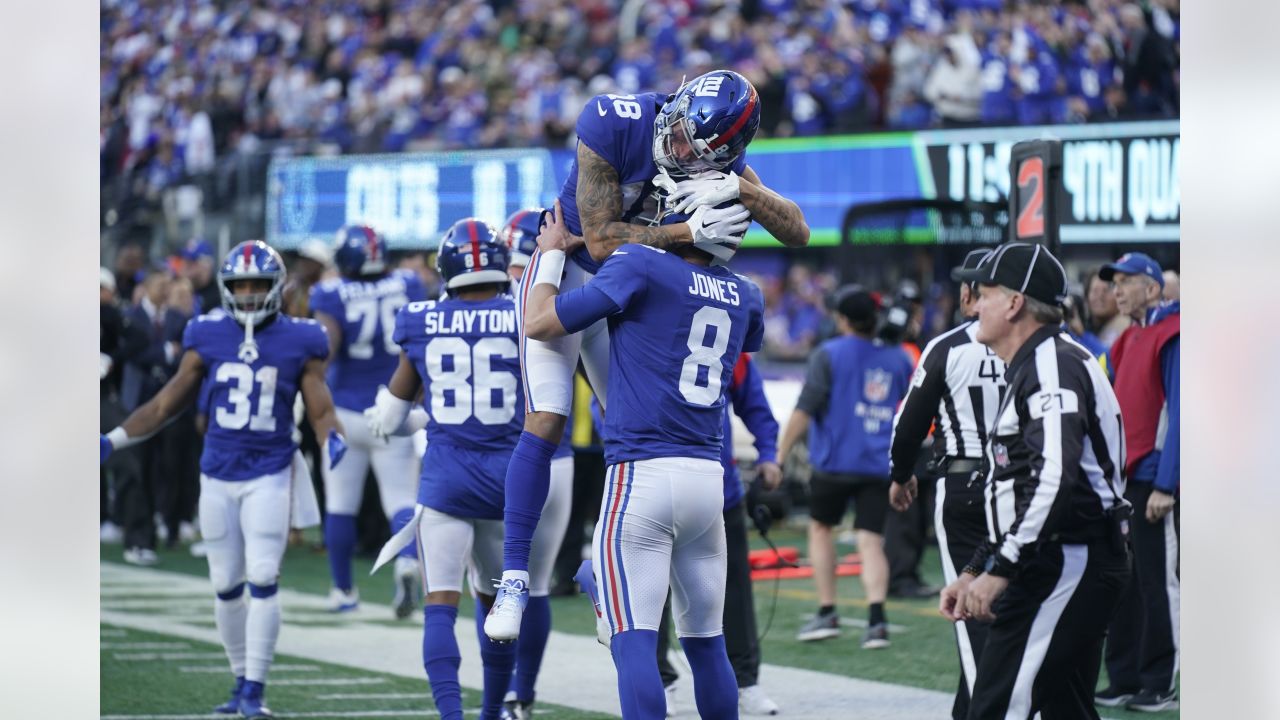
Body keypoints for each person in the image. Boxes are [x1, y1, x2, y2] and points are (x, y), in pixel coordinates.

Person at [486, 68, 809, 642]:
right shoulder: (614, 120)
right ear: (676, 104)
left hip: (629, 286)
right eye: (681, 133)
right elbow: (603, 239)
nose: (681, 149)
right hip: (565, 267)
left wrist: (744, 190)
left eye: (699, 149)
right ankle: (514, 576)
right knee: (548, 415)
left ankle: (619, 570)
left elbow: (798, 232)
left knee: (633, 427)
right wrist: (687, 231)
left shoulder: (723, 162)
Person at [520, 199, 764, 720]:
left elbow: (541, 322)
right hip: (707, 479)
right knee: (707, 642)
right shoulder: (747, 293)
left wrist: (548, 257)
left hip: (642, 475)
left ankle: (598, 581)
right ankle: (597, 579)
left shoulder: (642, 263)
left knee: (634, 643)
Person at [101, 240, 348, 719]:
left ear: (277, 287)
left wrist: (330, 437)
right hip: (216, 473)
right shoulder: (207, 332)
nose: (251, 293)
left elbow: (320, 405)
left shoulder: (302, 337)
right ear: (226, 288)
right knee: (225, 584)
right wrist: (113, 438)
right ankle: (239, 681)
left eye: (259, 284)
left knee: (262, 576)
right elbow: (165, 404)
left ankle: (256, 690)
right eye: (242, 285)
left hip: (270, 471)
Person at [941, 242, 1130, 720]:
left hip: (1070, 558)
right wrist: (978, 564)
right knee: (1063, 708)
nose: (974, 304)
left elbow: (1053, 477)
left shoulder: (1053, 364)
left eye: (983, 292)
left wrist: (1000, 568)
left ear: (1014, 301)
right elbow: (1020, 482)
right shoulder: (1036, 362)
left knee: (998, 708)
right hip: (1060, 555)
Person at [364, 218, 522, 720]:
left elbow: (389, 419)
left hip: (447, 478)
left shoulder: (422, 320)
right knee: (498, 609)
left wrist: (396, 416)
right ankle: (493, 712)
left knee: (441, 603)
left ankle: (451, 715)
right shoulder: (523, 316)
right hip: (507, 481)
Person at [887, 248, 1007, 720]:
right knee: (1011, 607)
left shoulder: (949, 346)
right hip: (1025, 490)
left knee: (971, 612)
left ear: (974, 293)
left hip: (964, 485)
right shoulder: (1042, 346)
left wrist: (900, 476)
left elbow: (909, 424)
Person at [778, 285, 913, 649]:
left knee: (821, 530)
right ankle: (876, 620)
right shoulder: (900, 358)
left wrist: (778, 456)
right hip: (877, 464)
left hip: (833, 465)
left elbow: (805, 409)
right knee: (871, 540)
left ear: (842, 319)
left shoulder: (829, 353)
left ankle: (827, 612)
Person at [309, 224, 427, 616]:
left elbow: (325, 350)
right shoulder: (408, 283)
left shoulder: (330, 292)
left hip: (344, 410)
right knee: (401, 499)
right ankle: (408, 561)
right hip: (394, 407)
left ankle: (343, 590)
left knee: (341, 503)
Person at [660, 351, 781, 717]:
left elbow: (753, 400)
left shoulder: (728, 331)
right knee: (649, 589)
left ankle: (745, 679)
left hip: (717, 487)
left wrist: (769, 452)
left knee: (732, 590)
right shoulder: (641, 327)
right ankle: (660, 679)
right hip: (654, 482)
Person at [497, 207, 576, 720]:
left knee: (492, 584)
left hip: (489, 455)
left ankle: (495, 694)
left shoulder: (473, 307)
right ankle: (520, 695)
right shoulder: (571, 304)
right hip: (556, 459)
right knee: (538, 584)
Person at [1095, 252, 1181, 713]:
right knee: (1123, 584)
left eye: (1127, 281)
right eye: (1115, 282)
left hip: (1153, 482)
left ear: (1152, 288)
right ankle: (1125, 676)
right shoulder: (1128, 339)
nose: (1117, 290)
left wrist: (1167, 484)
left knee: (1155, 583)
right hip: (1125, 483)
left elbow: (1184, 413)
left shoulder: (1174, 333)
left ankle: (1159, 681)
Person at [1086, 271, 1130, 349]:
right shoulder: (1084, 322)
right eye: (1095, 291)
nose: (1100, 297)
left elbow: (1108, 357)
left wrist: (1082, 335)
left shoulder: (1124, 324)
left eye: (1106, 291)